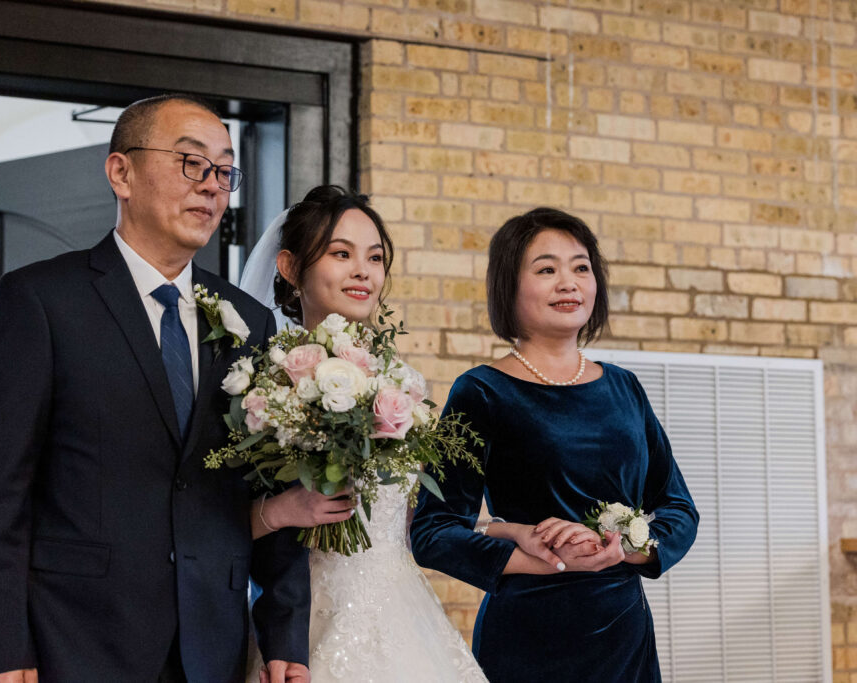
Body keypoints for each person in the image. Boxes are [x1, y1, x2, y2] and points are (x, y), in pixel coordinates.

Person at [0, 94, 310, 683]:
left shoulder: (248, 320)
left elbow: (269, 485)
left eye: (225, 171)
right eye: (191, 163)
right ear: (121, 172)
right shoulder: (41, 302)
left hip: (212, 647)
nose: (212, 186)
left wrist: (285, 634)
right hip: (75, 642)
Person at [410, 207, 699, 682]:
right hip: (528, 632)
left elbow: (678, 508)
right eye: (547, 269)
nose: (570, 283)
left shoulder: (624, 387)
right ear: (509, 286)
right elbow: (433, 531)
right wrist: (541, 557)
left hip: (623, 635)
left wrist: (623, 549)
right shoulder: (481, 391)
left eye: (581, 267)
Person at [239, 185, 489, 682]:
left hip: (401, 612)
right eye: (341, 253)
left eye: (374, 258)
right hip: (296, 623)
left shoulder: (404, 386)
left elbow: (414, 519)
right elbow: (205, 524)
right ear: (289, 268)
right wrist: (284, 510)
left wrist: (500, 529)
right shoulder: (258, 385)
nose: (363, 271)